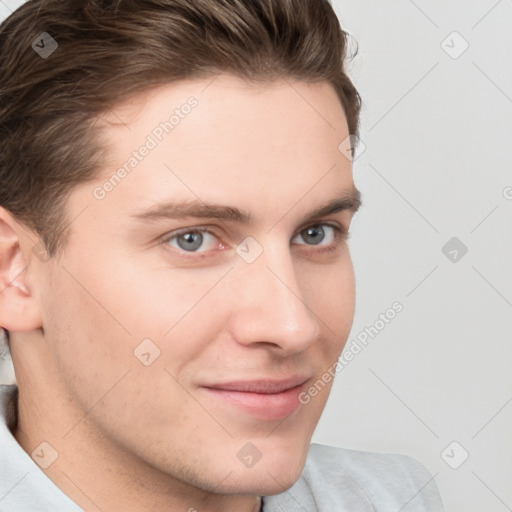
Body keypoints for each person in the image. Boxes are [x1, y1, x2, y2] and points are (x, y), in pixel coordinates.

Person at [0, 0, 444, 510]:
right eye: (192, 239)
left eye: (316, 233)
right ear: (14, 271)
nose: (292, 326)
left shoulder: (396, 499)